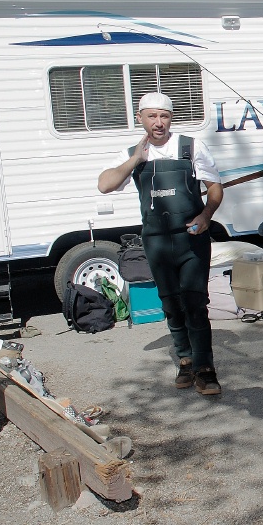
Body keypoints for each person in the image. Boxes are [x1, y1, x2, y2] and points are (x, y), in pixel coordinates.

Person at [98, 93, 224, 394]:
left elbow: (215, 189)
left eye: (164, 116)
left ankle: (205, 368)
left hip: (191, 239)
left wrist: (207, 214)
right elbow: (105, 185)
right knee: (170, 303)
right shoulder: (132, 153)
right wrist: (135, 160)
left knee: (195, 302)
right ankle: (184, 359)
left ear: (171, 118)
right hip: (156, 240)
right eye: (152, 116)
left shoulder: (190, 147)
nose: (159, 123)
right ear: (139, 118)